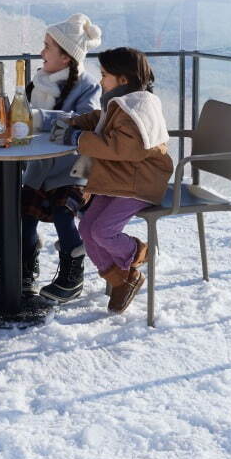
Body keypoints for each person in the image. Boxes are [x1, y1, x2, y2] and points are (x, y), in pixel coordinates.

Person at [51, 47, 172, 314]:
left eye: (105, 75)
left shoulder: (139, 107)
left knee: (102, 231)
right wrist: (73, 124)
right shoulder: (120, 102)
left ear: (123, 80)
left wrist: (78, 139)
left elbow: (123, 148)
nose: (101, 80)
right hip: (119, 179)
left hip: (139, 182)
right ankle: (122, 280)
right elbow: (100, 120)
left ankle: (140, 252)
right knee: (87, 230)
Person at [19, 14, 103, 302]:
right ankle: (25, 269)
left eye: (47, 47)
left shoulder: (88, 86)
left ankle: (72, 274)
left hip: (74, 168)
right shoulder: (38, 82)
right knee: (23, 215)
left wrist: (36, 118)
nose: (41, 52)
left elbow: (82, 120)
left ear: (67, 57)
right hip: (39, 167)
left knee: (61, 213)